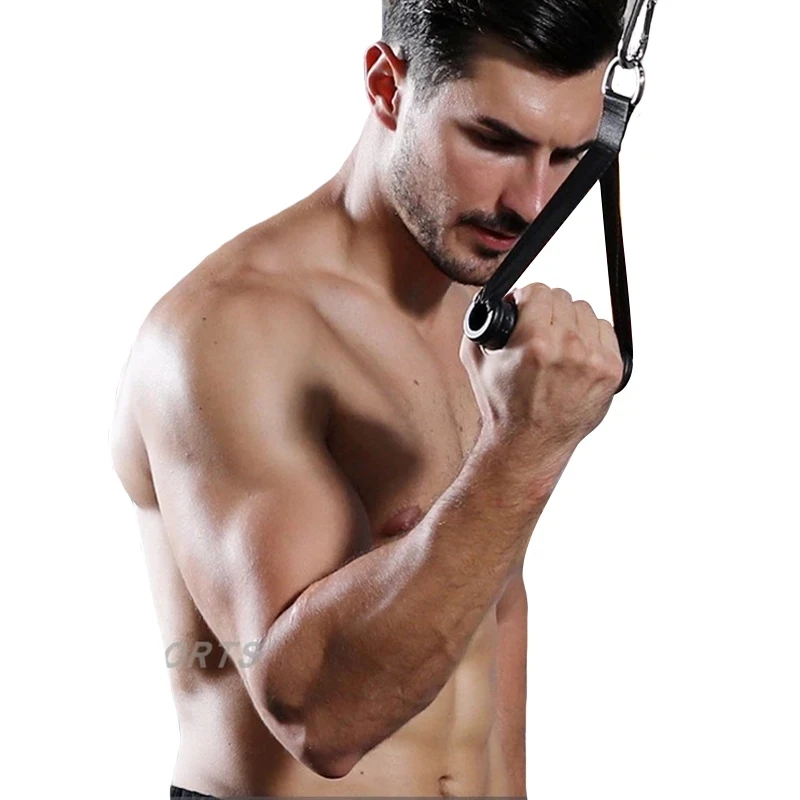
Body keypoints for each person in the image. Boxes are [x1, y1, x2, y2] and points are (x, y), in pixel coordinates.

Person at [110, 1, 628, 796]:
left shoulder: (478, 304)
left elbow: (495, 607)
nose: (532, 203)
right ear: (388, 87)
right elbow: (320, 719)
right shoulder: (228, 331)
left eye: (568, 154)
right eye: (494, 140)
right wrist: (524, 449)